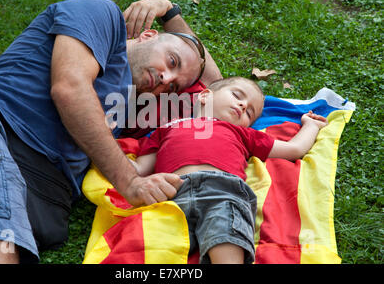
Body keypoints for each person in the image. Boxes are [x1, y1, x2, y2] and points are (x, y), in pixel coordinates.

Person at [0, 0, 222, 264]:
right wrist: (130, 182)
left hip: (38, 193)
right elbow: (70, 88)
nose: (165, 78)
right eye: (171, 61)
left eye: (172, 86)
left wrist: (173, 16)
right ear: (147, 35)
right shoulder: (100, 14)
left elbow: (216, 86)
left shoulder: (130, 108)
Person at [131, 76, 328, 264]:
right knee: (156, 247)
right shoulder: (167, 128)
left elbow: (294, 149)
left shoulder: (243, 133)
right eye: (237, 95)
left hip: (222, 191)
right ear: (205, 96)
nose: (243, 106)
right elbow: (139, 169)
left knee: (226, 235)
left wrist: (311, 125)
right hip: (171, 194)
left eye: (249, 113)